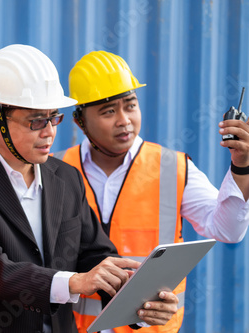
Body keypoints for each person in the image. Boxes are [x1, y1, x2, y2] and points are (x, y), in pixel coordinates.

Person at [0, 44, 179, 333]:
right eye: (36, 121)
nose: (49, 131)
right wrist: (74, 282)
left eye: (54, 117)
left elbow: (94, 254)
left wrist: (138, 298)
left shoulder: (66, 177)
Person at [53, 50, 249, 333]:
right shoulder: (54, 170)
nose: (124, 120)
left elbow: (228, 230)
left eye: (130, 105)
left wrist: (241, 167)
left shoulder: (174, 168)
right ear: (79, 121)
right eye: (108, 111)